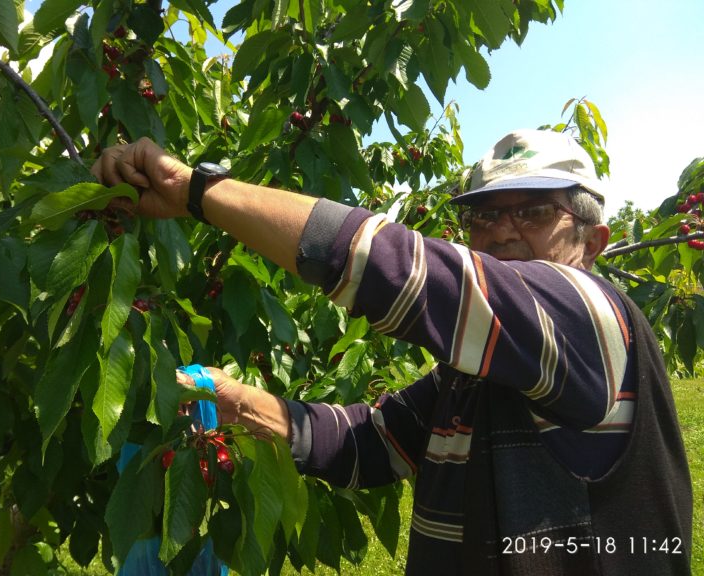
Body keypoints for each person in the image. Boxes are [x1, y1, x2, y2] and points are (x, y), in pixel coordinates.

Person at [93, 128, 693, 575]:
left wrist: (194, 190)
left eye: (535, 211)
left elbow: (397, 269)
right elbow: (373, 441)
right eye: (482, 217)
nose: (503, 232)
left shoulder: (585, 314)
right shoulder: (479, 371)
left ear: (593, 241)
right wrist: (240, 403)